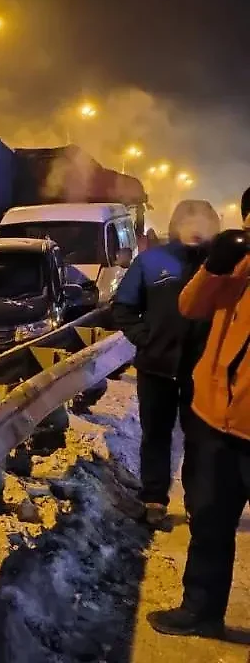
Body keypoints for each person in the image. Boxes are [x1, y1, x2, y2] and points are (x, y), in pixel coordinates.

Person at [147, 187, 250, 638]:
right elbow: (191, 306)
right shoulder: (239, 263)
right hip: (214, 421)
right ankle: (201, 610)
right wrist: (215, 267)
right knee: (208, 522)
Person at [112, 200, 220, 526]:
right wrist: (147, 339)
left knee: (200, 438)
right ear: (176, 226)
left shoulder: (219, 267)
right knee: (156, 435)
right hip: (156, 367)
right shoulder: (151, 262)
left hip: (202, 371)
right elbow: (123, 308)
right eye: (188, 222)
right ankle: (155, 498)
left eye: (202, 222)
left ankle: (197, 502)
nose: (196, 228)